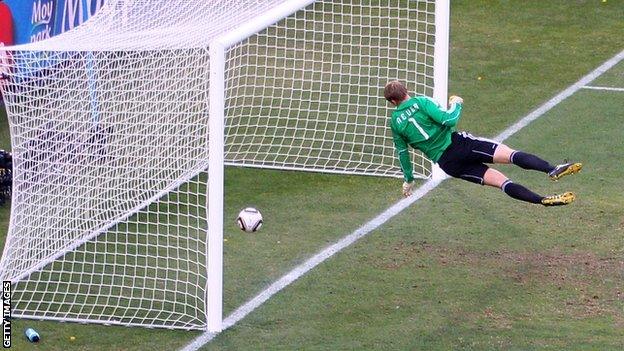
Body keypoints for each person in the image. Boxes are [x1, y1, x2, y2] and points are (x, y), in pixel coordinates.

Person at [384, 80, 582, 206]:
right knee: (511, 155)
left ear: (393, 102)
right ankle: (551, 169)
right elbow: (449, 120)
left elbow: (403, 154)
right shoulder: (421, 102)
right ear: (406, 91)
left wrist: (408, 181)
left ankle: (542, 200)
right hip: (459, 144)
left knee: (502, 182)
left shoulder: (395, 123)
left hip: (447, 163)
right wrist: (456, 103)